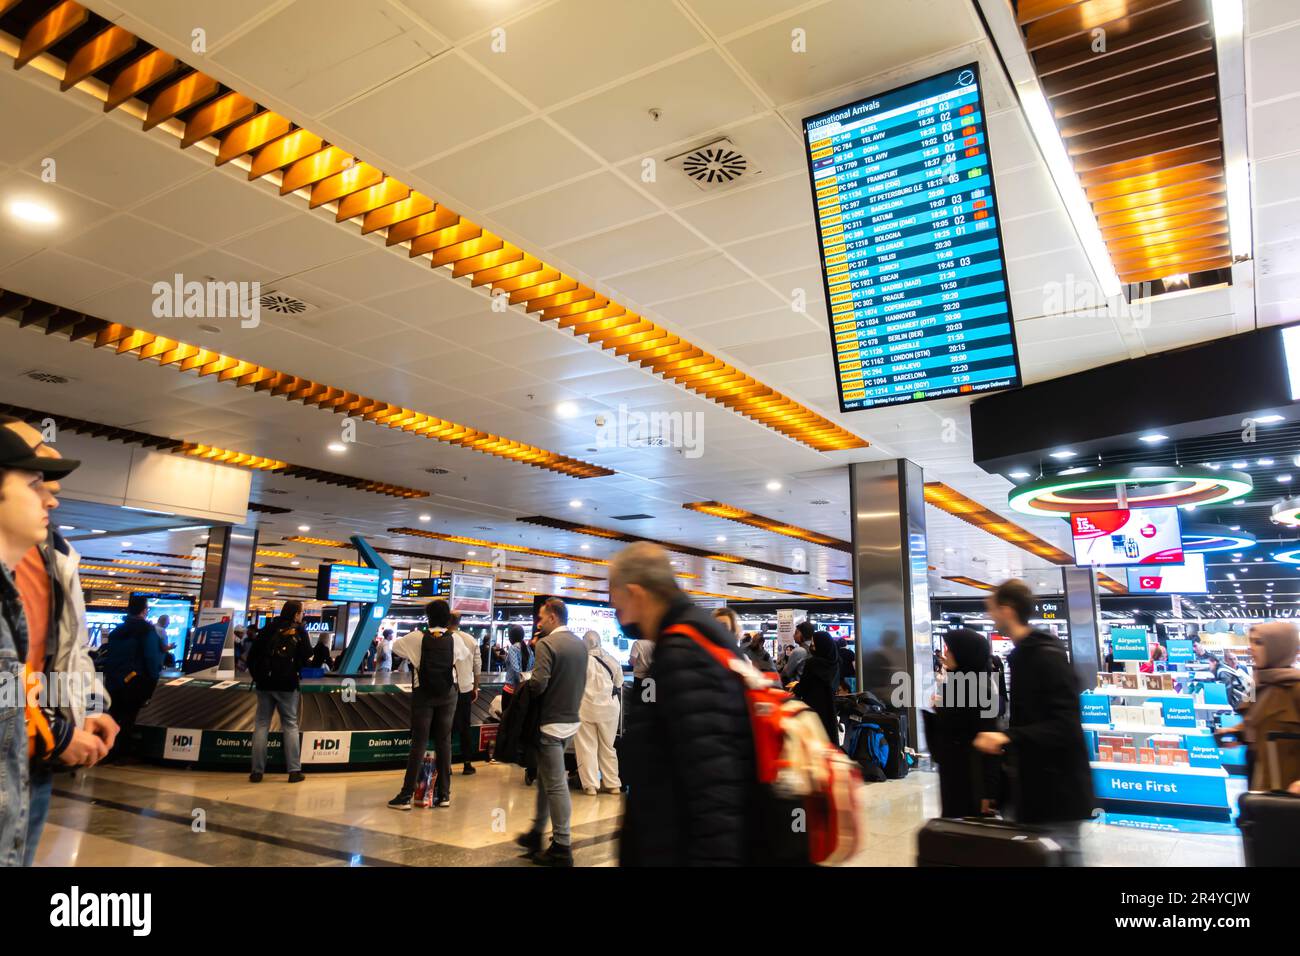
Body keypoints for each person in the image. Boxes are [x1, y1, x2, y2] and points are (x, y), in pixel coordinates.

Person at [612, 543, 791, 866]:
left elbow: (715, 785)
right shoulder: (695, 636)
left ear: (636, 592)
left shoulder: (684, 653)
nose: (614, 606)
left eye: (615, 595)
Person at [4, 419, 117, 865]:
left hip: (35, 749)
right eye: (33, 475)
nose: (50, 488)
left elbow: (65, 655)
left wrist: (87, 708)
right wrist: (54, 734)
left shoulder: (58, 557)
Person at [973, 580, 1094, 864]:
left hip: (1056, 793)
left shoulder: (1044, 656)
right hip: (1032, 789)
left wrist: (1009, 737)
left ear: (1007, 610)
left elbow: (1065, 724)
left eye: (993, 610)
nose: (990, 617)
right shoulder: (1024, 655)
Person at [514, 597, 587, 866]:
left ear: (553, 618)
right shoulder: (579, 645)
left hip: (550, 724)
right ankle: (536, 833)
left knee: (555, 786)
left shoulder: (547, 644)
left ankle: (562, 845)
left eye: (542, 618)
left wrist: (527, 682)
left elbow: (539, 683)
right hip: (571, 721)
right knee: (546, 781)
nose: (538, 622)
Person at [387, 600, 472, 809]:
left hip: (423, 694)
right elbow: (463, 657)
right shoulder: (456, 640)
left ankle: (406, 796)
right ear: (447, 619)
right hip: (448, 694)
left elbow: (395, 647)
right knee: (444, 741)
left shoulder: (416, 638)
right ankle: (444, 795)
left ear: (428, 617)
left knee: (419, 742)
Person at [1218, 622, 1300, 793]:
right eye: (1251, 642)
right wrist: (1237, 732)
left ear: (1278, 647)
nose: (1251, 648)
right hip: (1260, 784)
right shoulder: (1257, 683)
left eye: (1259, 642)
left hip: (1289, 792)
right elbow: (1256, 720)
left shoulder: (1296, 688)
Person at [927, 628, 1001, 818]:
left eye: (949, 650)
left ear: (963, 653)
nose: (945, 654)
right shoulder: (956, 683)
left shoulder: (979, 688)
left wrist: (989, 792)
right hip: (954, 773)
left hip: (971, 778)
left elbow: (989, 739)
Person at [246, 600, 311, 784]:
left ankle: (257, 772)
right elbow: (307, 656)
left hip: (265, 684)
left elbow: (252, 656)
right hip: (287, 684)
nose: (302, 615)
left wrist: (258, 677)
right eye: (301, 612)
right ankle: (294, 771)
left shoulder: (268, 629)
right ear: (295, 614)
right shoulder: (299, 631)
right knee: (290, 725)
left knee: (261, 724)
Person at [102, 594, 164, 763]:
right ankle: (121, 753)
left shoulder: (117, 631)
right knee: (129, 717)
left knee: (114, 714)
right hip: (136, 681)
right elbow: (151, 657)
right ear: (144, 611)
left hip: (115, 680)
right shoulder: (146, 631)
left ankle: (106, 750)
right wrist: (154, 678)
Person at [576, 630, 622, 796]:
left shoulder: (580, 661)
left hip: (585, 708)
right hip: (609, 709)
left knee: (587, 746)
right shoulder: (611, 660)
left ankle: (591, 786)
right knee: (608, 746)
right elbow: (619, 682)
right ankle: (613, 784)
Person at [448, 612, 481, 775]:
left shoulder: (444, 638)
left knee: (446, 727)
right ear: (460, 622)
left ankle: (446, 765)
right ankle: (467, 764)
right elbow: (477, 666)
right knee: (465, 726)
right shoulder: (471, 640)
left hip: (448, 689)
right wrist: (476, 687)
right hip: (466, 688)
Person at [795, 630, 841, 746]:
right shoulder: (836, 663)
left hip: (812, 708)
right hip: (830, 708)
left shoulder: (812, 664)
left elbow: (803, 687)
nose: (812, 647)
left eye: (814, 644)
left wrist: (795, 688)